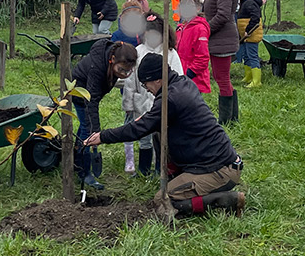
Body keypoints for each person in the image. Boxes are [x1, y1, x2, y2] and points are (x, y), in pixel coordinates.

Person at [85, 55, 245, 216]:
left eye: (145, 83)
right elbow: (150, 122)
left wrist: (103, 136)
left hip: (220, 170)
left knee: (163, 199)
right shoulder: (181, 83)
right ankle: (180, 180)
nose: (146, 88)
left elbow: (139, 129)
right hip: (211, 161)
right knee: (159, 132)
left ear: (157, 80)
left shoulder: (170, 98)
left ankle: (226, 200)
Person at [69, 38, 138, 187]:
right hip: (80, 93)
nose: (125, 74)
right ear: (112, 59)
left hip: (91, 94)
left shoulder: (112, 58)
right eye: (122, 70)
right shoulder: (97, 68)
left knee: (84, 127)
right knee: (88, 131)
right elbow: (91, 101)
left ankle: (75, 160)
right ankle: (84, 173)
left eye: (128, 71)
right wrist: (96, 131)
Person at [120, 16, 184, 175]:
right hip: (141, 104)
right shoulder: (138, 52)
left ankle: (159, 169)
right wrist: (129, 105)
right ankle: (143, 170)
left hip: (163, 105)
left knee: (161, 139)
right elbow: (130, 82)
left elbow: (179, 79)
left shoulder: (170, 54)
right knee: (144, 139)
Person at [203, 0, 240, 124]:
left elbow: (224, 15)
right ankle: (232, 118)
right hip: (219, 39)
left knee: (222, 79)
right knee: (221, 77)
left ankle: (226, 121)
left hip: (222, 40)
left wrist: (205, 29)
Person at [176, 0, 211, 95]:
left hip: (193, 78)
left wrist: (190, 72)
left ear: (198, 9)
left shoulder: (200, 29)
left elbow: (203, 57)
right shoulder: (181, 28)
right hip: (181, 75)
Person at [234, 0, 264, 88]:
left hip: (251, 35)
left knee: (252, 56)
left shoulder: (250, 3)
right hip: (246, 36)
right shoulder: (245, 3)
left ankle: (257, 81)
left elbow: (255, 18)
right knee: (246, 55)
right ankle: (248, 76)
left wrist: (248, 30)